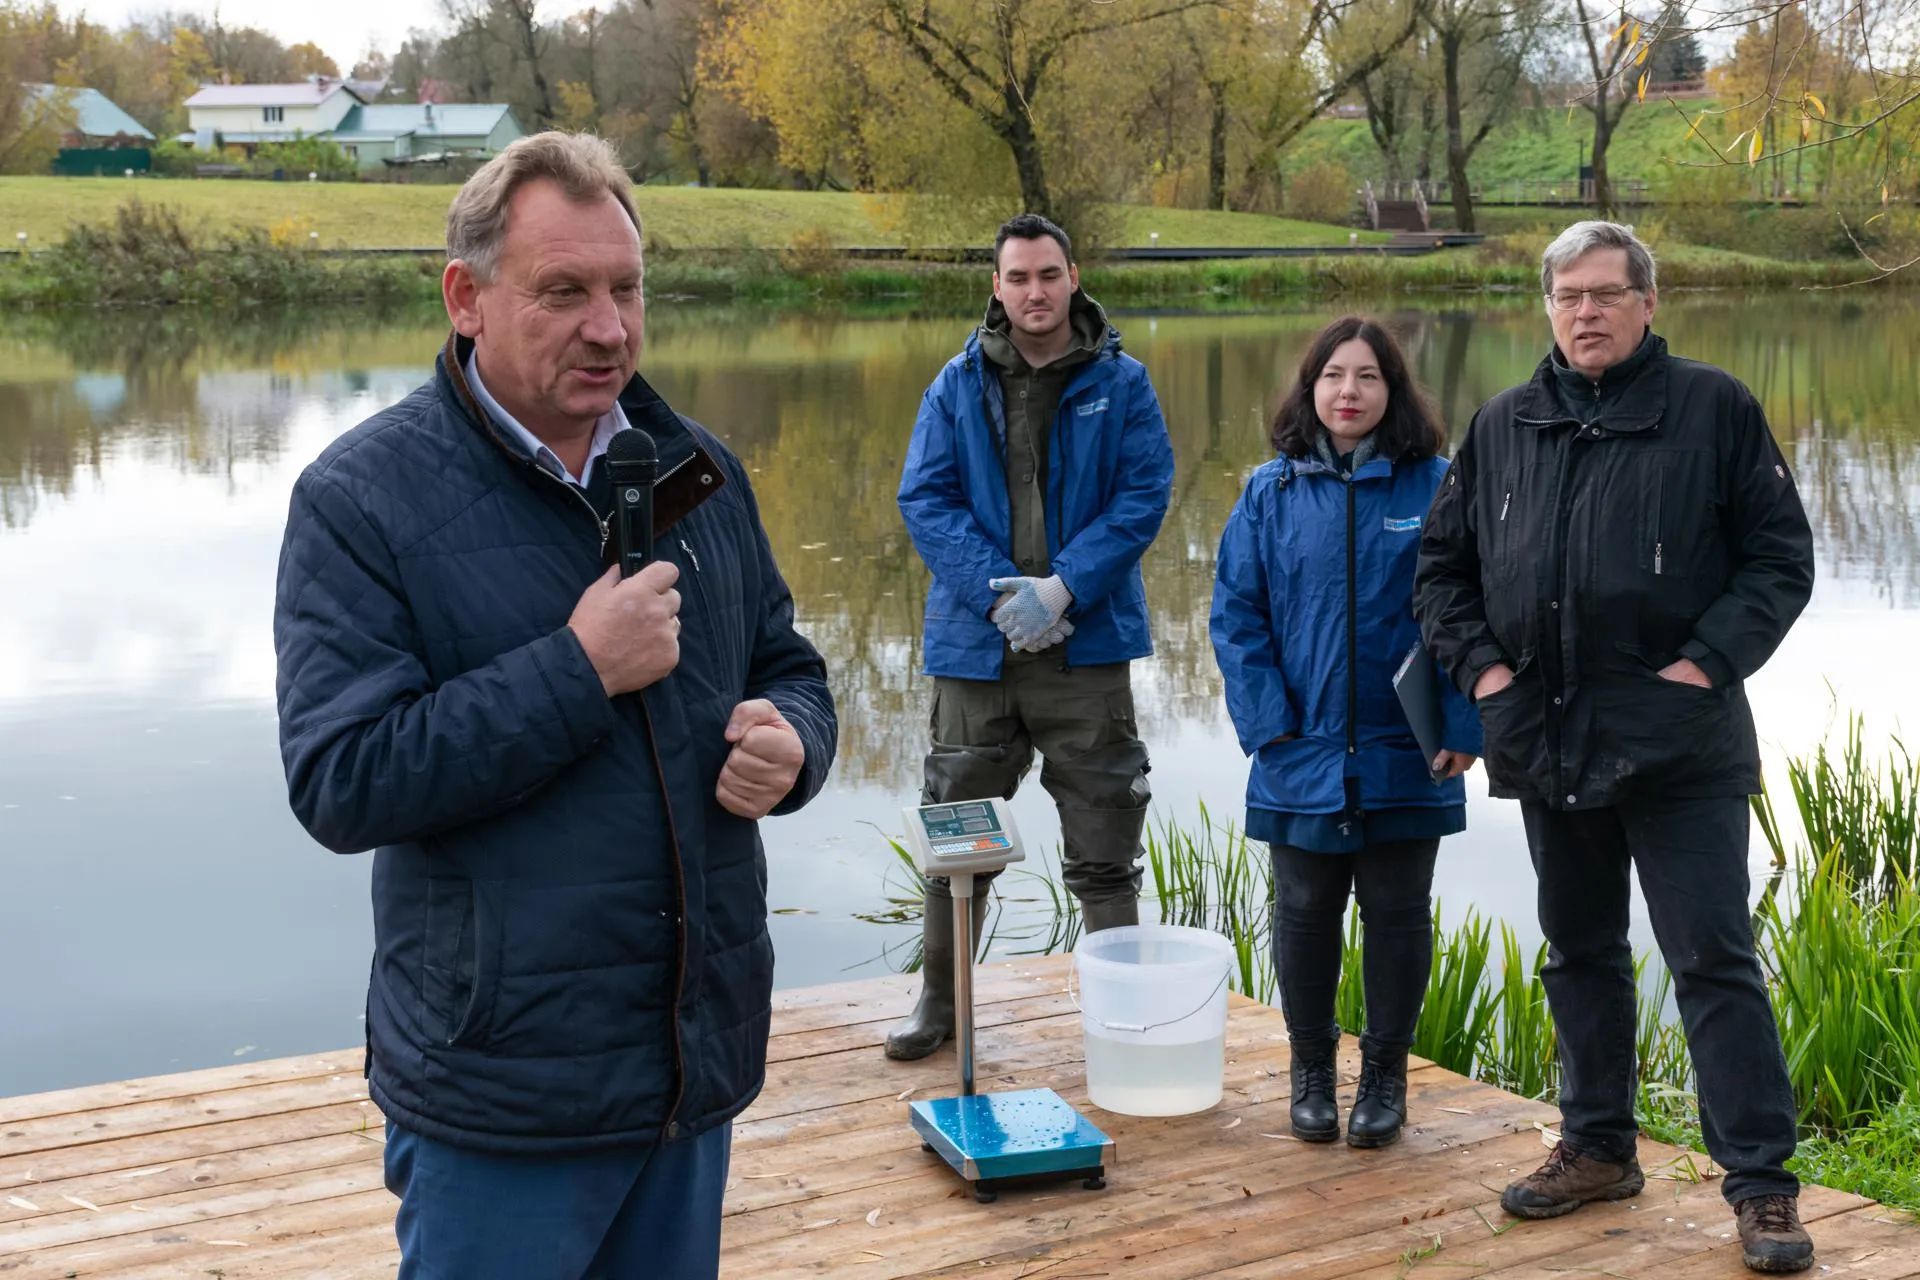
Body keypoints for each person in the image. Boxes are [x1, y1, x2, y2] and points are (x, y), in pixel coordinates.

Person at [272, 132, 837, 1279]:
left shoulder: (696, 468)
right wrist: (576, 670)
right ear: (466, 298)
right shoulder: (359, 499)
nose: (610, 327)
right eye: (565, 291)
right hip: (504, 1087)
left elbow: (790, 661)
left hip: (692, 1058)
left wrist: (796, 742)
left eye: (626, 289)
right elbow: (343, 777)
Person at [1416, 221, 1816, 1274]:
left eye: (1605, 293)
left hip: (1682, 745)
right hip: (1549, 741)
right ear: (1546, 307)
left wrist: (1703, 664)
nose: (1585, 312)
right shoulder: (1502, 425)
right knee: (1579, 953)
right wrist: (1488, 677)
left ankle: (1764, 1188)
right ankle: (1597, 1145)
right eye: (1567, 296)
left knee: (1714, 961)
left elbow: (1780, 558)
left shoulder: (1714, 409)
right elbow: (1442, 571)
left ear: (1648, 300)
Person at [887, 213, 1174, 1061]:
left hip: (1087, 646)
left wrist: (1063, 588)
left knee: (1105, 838)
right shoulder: (954, 384)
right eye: (1018, 279)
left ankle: (1123, 1016)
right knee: (958, 839)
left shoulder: (1124, 384)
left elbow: (1143, 497)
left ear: (1073, 276)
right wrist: (997, 597)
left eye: (1048, 275)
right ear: (997, 286)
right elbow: (925, 500)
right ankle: (940, 1007)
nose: (1034, 293)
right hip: (977, 653)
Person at [1210, 316, 1480, 1149]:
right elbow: (1237, 615)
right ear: (1310, 387)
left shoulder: (1439, 484)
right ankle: (1312, 1074)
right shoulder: (1270, 492)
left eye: (1367, 376)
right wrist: (1269, 728)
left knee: (1398, 916)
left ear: (1393, 391)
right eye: (1333, 376)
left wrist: (1465, 722)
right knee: (1303, 912)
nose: (1349, 392)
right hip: (1301, 750)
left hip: (1409, 748)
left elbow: (1475, 607)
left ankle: (1386, 1079)